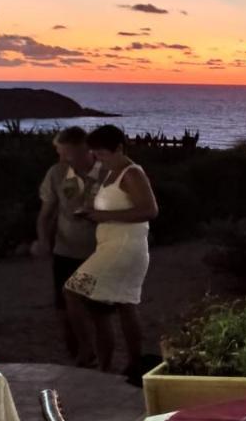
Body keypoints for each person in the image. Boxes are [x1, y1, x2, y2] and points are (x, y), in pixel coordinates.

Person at [63, 125, 158, 380]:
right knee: (123, 304)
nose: (99, 158)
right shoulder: (110, 173)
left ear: (119, 148)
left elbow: (149, 210)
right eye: (96, 153)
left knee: (72, 290)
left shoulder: (132, 173)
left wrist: (103, 216)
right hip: (110, 244)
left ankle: (88, 353)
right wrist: (90, 214)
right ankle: (131, 364)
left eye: (103, 153)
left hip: (125, 247)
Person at [33, 126, 104, 360]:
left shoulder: (107, 173)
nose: (62, 158)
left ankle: (99, 356)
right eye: (59, 153)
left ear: (86, 151)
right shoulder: (56, 173)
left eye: (67, 154)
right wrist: (43, 240)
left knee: (97, 310)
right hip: (65, 250)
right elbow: (46, 214)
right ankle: (79, 353)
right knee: (64, 307)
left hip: (99, 251)